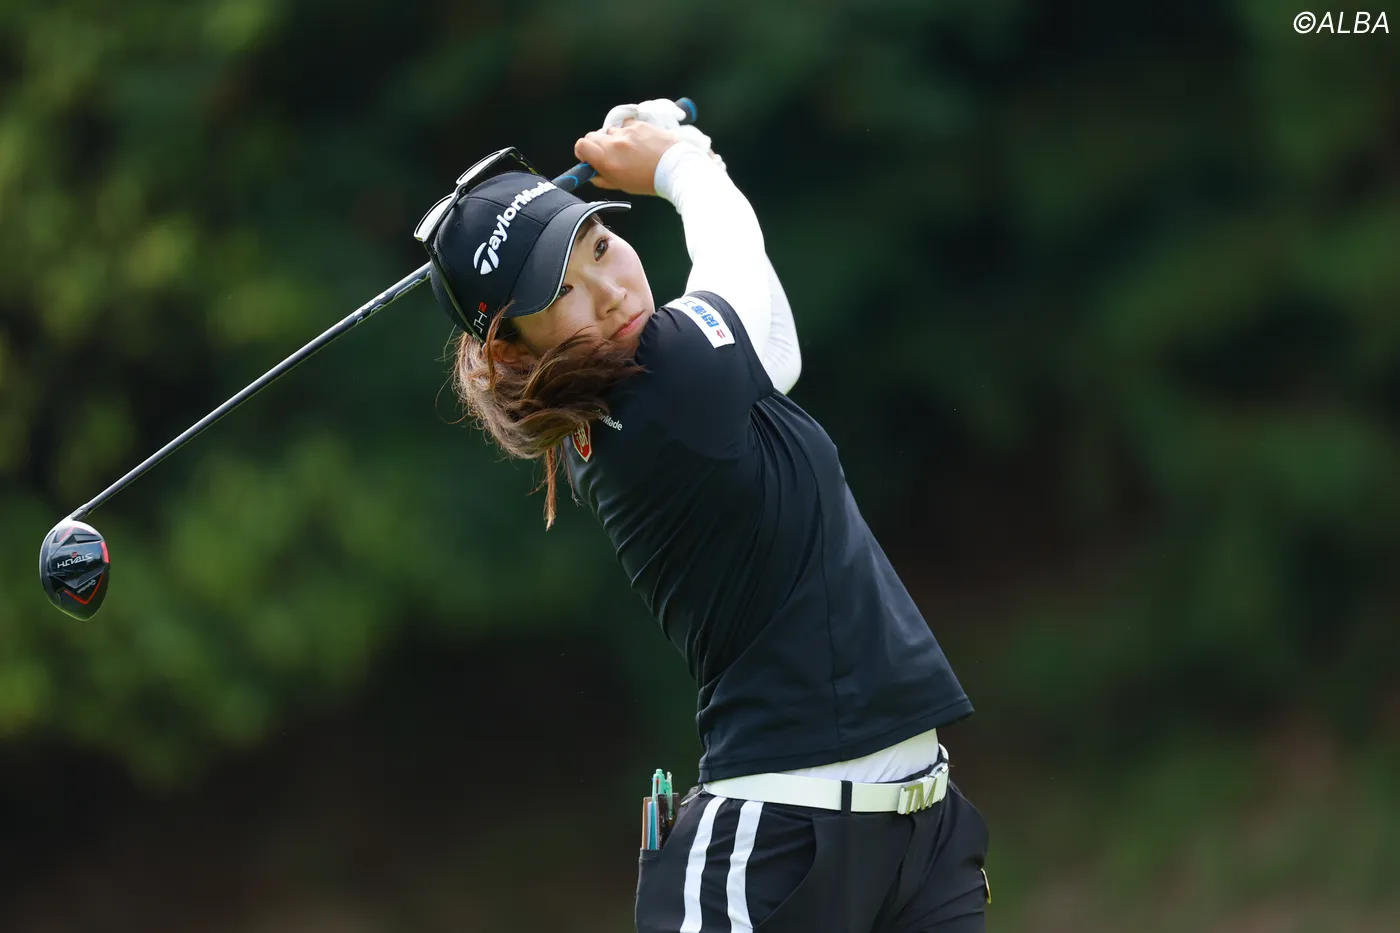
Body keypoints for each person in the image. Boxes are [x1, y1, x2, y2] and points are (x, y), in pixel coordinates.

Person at [417, 99, 990, 933]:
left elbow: (775, 348)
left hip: (914, 836)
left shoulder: (651, 394)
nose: (610, 291)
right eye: (562, 293)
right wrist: (679, 160)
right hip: (777, 851)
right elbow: (734, 265)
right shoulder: (661, 383)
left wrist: (686, 156)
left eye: (599, 245)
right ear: (515, 348)